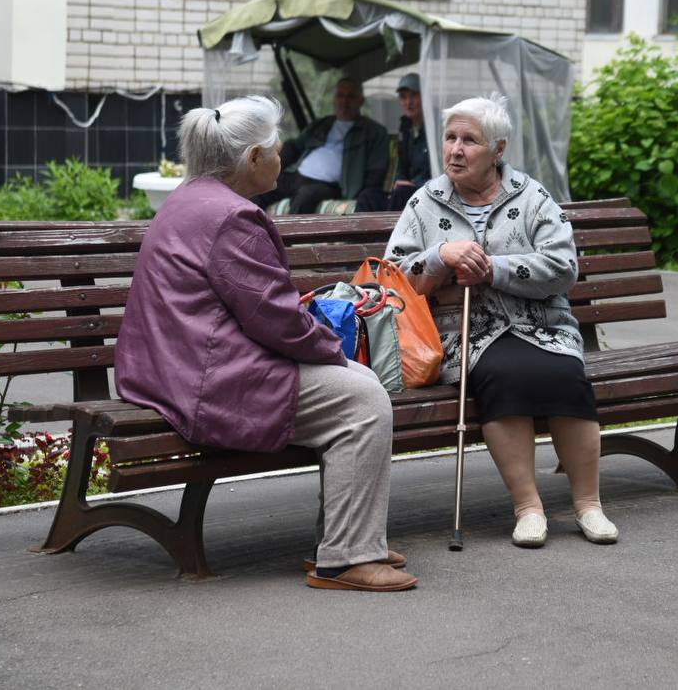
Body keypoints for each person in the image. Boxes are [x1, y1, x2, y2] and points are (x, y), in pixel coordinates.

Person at [114, 96, 417, 591]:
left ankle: (348, 541)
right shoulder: (233, 217)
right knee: (363, 399)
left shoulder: (191, 199)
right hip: (205, 383)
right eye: (277, 149)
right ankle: (345, 560)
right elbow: (276, 320)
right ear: (253, 157)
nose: (283, 157)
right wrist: (332, 350)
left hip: (174, 369)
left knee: (359, 383)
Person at [383, 93, 619, 548]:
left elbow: (564, 267)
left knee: (565, 373)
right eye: (450, 137)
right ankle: (528, 508)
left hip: (542, 325)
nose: (455, 150)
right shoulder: (424, 203)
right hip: (466, 333)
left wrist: (494, 269)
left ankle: (588, 504)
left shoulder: (532, 197)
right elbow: (393, 277)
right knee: (503, 374)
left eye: (469, 140)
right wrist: (440, 256)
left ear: (498, 150)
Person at [255, 78, 390, 214]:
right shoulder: (321, 124)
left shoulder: (374, 132)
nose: (344, 101)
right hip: (297, 175)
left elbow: (376, 170)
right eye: (340, 95)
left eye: (351, 96)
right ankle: (249, 225)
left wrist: (364, 193)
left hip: (329, 185)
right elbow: (295, 146)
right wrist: (267, 166)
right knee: (259, 186)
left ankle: (290, 229)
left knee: (304, 197)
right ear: (334, 100)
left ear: (361, 101)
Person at [359, 72, 432, 212]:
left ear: (424, 96)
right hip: (406, 192)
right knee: (367, 196)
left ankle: (389, 227)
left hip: (426, 194)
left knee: (401, 192)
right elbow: (402, 167)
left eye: (413, 95)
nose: (408, 102)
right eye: (403, 97)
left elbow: (442, 174)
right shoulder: (405, 128)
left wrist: (414, 184)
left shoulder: (435, 129)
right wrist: (400, 181)